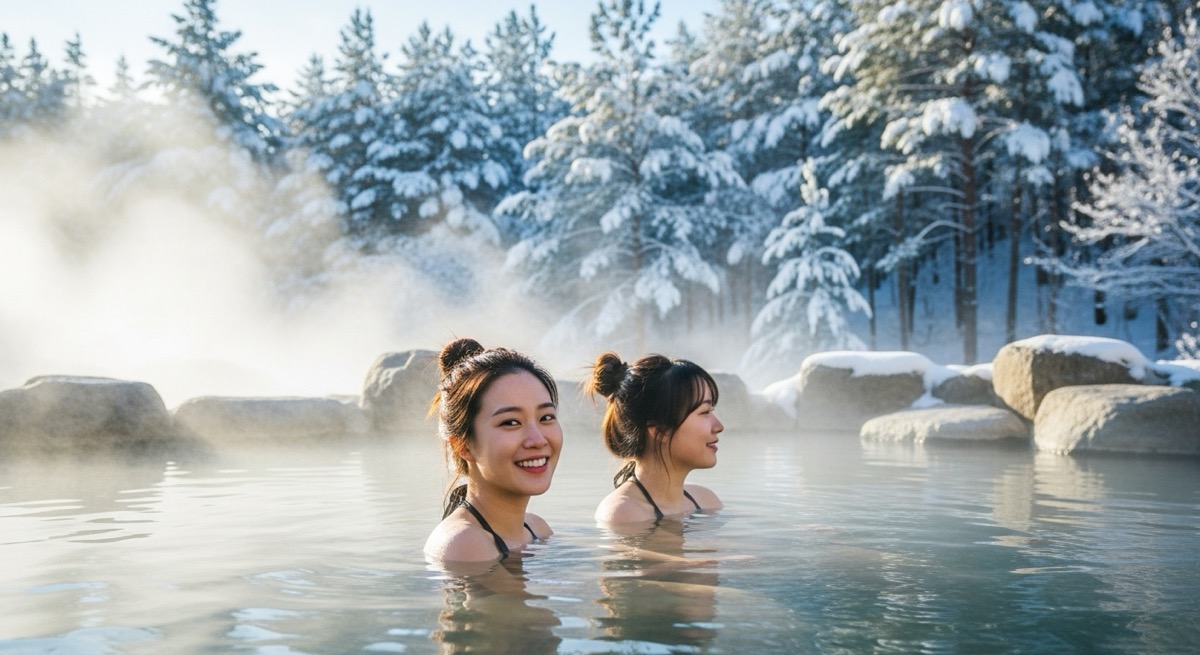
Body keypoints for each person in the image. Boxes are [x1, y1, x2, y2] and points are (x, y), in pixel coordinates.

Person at [424, 338, 562, 563]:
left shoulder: (537, 529)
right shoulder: (464, 544)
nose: (538, 440)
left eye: (546, 417)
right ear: (462, 445)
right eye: (511, 422)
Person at [585, 352, 724, 523]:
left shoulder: (706, 502)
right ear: (660, 431)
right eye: (705, 412)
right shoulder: (624, 514)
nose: (719, 426)